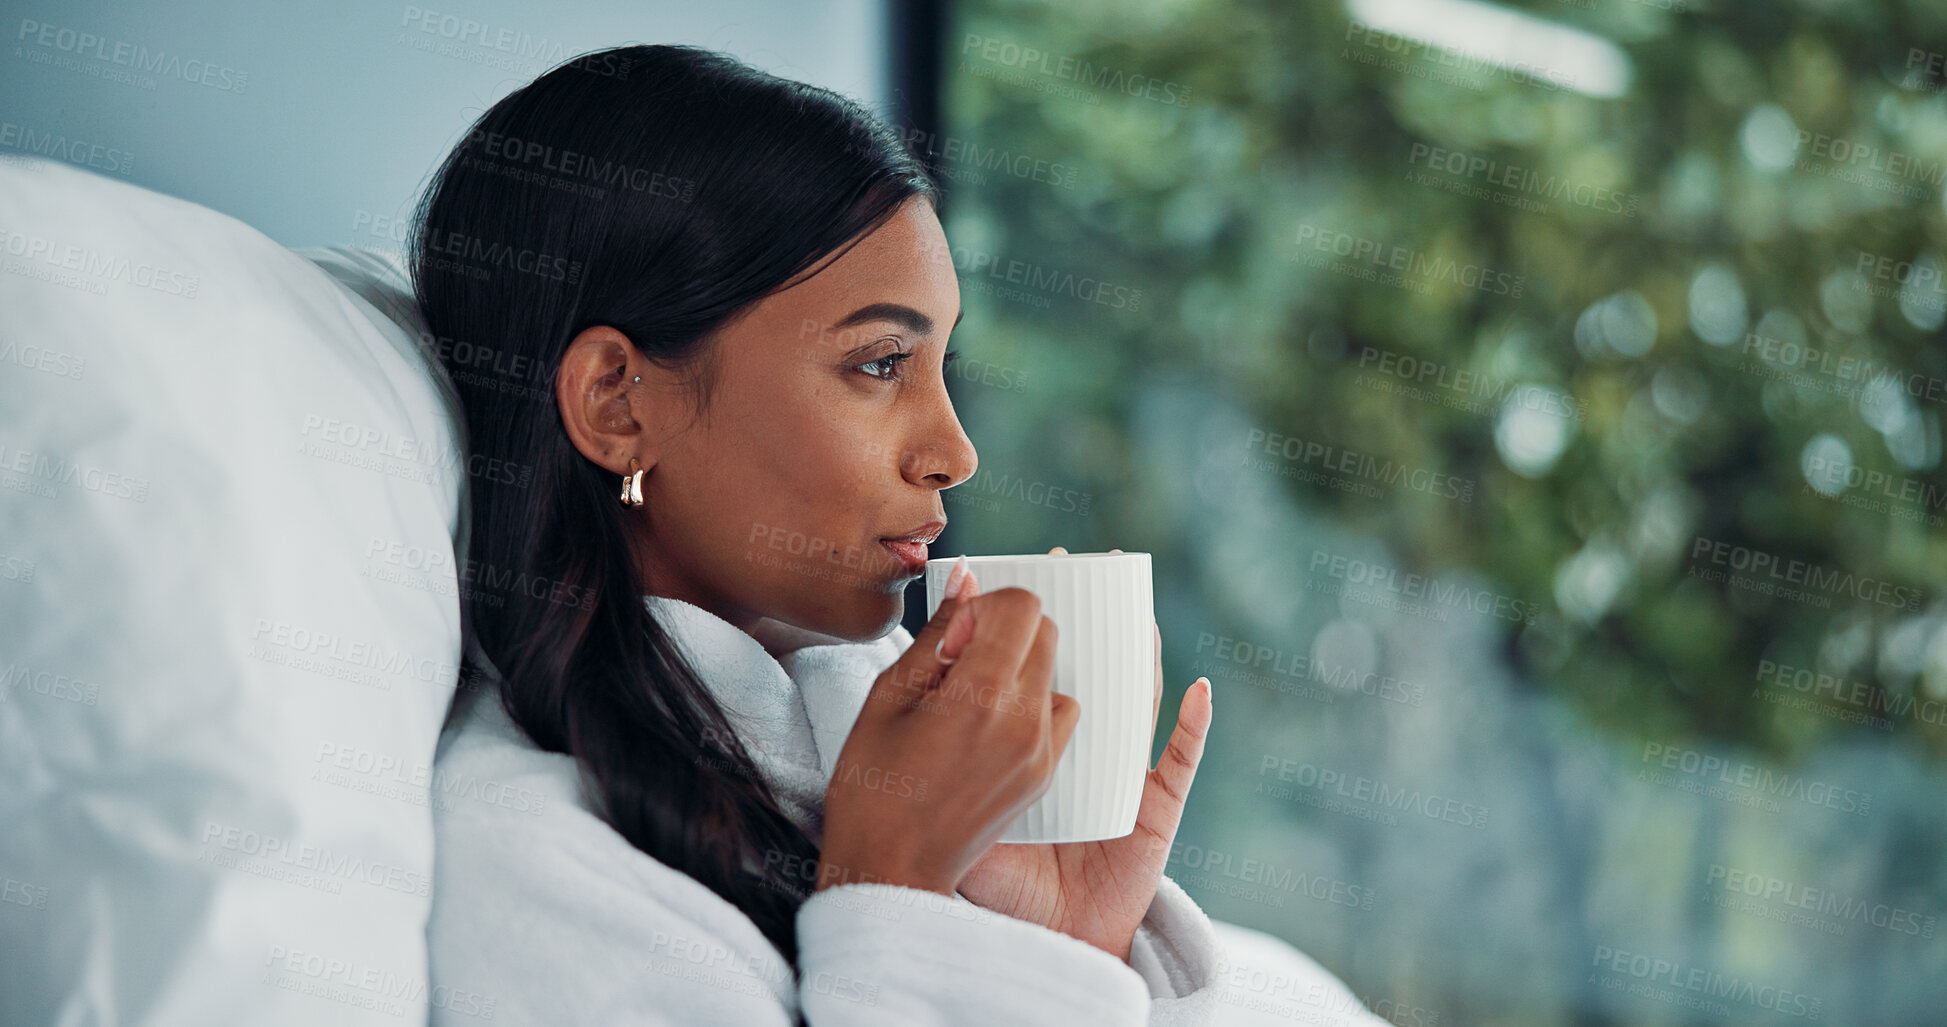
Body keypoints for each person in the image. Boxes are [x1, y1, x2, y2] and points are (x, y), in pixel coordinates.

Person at [412, 43, 1384, 1026]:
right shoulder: (534, 867)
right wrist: (894, 882)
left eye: (940, 368)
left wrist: (1068, 945)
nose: (956, 453)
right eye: (880, 364)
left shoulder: (872, 756)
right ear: (619, 402)